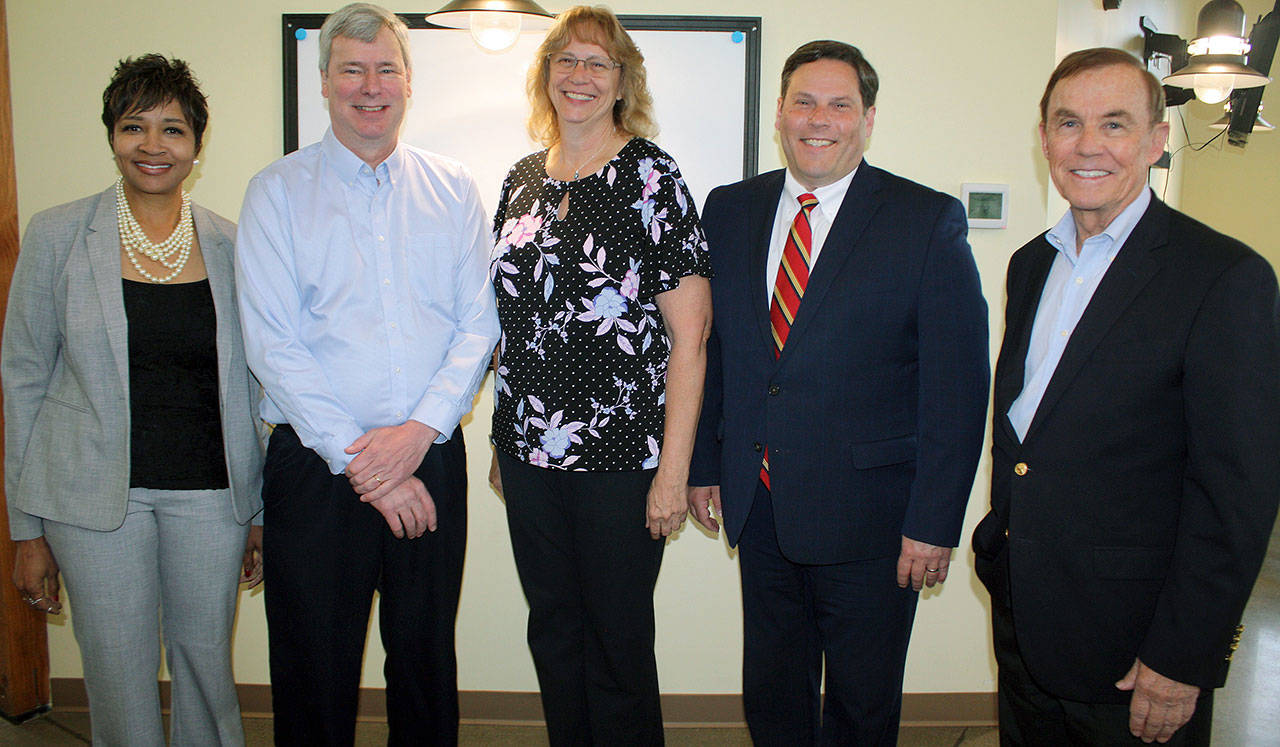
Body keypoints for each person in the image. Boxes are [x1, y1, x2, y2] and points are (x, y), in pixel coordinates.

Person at [973, 47, 1280, 746]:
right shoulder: (1032, 263)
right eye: (1067, 122)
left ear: (1155, 139)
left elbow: (1237, 491)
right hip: (1027, 619)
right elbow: (1031, 432)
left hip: (1139, 647)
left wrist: (1183, 654)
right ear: (1043, 136)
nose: (1087, 145)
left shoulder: (1223, 276)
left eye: (1114, 124)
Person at [688, 40, 990, 745]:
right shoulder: (730, 209)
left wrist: (935, 521)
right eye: (804, 101)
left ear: (868, 118)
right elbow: (719, 351)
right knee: (773, 695)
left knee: (860, 706)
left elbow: (958, 387)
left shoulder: (925, 220)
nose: (818, 119)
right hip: (758, 504)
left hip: (875, 522)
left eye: (839, 104)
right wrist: (706, 462)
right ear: (780, 114)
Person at [234, 3, 498, 744]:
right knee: (313, 668)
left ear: (409, 82)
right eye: (352, 69)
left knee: (423, 665)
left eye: (386, 69)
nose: (370, 86)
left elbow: (477, 326)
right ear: (323, 81)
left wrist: (415, 436)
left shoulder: (452, 189)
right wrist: (367, 462)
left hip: (431, 457)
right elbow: (273, 345)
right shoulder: (276, 192)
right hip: (315, 472)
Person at [3, 54, 264, 746]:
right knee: (116, 671)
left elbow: (253, 386)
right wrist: (25, 529)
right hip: (91, 503)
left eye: (173, 129)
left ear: (197, 145)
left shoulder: (234, 245)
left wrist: (259, 509)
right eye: (134, 126)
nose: (153, 146)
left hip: (210, 496)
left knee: (206, 663)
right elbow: (23, 377)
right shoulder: (58, 236)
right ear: (112, 135)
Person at [487, 5, 712, 744]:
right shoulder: (520, 181)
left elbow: (691, 336)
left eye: (598, 63)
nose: (580, 76)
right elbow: (512, 325)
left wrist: (672, 475)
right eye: (567, 60)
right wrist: (502, 436)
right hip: (528, 455)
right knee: (553, 632)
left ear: (622, 82)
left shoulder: (652, 175)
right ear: (545, 74)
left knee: (616, 642)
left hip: (622, 459)